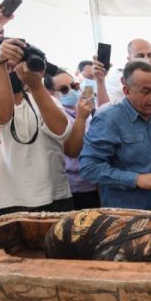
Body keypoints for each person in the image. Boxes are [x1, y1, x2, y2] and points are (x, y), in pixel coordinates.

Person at [0, 38, 74, 218]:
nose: (15, 71)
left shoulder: (45, 99)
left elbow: (61, 131)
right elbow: (0, 116)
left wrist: (36, 85)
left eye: (18, 65)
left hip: (56, 196)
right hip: (6, 202)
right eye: (7, 67)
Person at [81, 61, 151, 213]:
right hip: (128, 216)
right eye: (146, 91)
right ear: (126, 91)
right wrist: (136, 179)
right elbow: (89, 167)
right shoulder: (108, 120)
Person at [46, 70, 99, 210]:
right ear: (50, 93)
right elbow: (72, 149)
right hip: (77, 186)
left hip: (97, 181)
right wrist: (81, 118)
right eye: (63, 89)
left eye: (74, 86)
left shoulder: (86, 109)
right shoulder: (56, 118)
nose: (71, 91)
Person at [96, 39, 151, 115]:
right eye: (140, 56)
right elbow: (104, 111)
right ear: (129, 59)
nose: (147, 59)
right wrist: (100, 81)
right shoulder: (118, 79)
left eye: (150, 55)